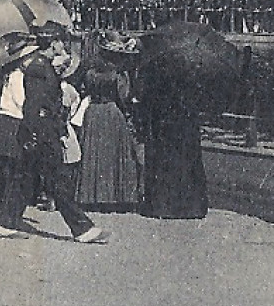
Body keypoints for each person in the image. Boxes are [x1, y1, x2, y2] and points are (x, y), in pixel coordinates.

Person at [0, 22, 108, 243]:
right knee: (56, 183)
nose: (63, 45)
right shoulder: (39, 69)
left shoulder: (40, 66)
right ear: (54, 43)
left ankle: (4, 223)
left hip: (37, 134)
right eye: (61, 41)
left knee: (24, 180)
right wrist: (41, 134)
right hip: (42, 135)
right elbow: (34, 107)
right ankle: (83, 229)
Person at [138, 44, 209, 219]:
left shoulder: (156, 72)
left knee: (164, 164)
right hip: (186, 125)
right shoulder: (192, 73)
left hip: (164, 125)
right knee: (187, 163)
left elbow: (147, 99)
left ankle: (163, 206)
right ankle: (191, 207)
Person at [75, 63, 141, 208]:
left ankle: (91, 196)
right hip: (111, 112)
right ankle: (113, 196)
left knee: (93, 152)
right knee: (113, 153)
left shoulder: (90, 73)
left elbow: (82, 90)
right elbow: (123, 98)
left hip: (92, 112)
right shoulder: (118, 75)